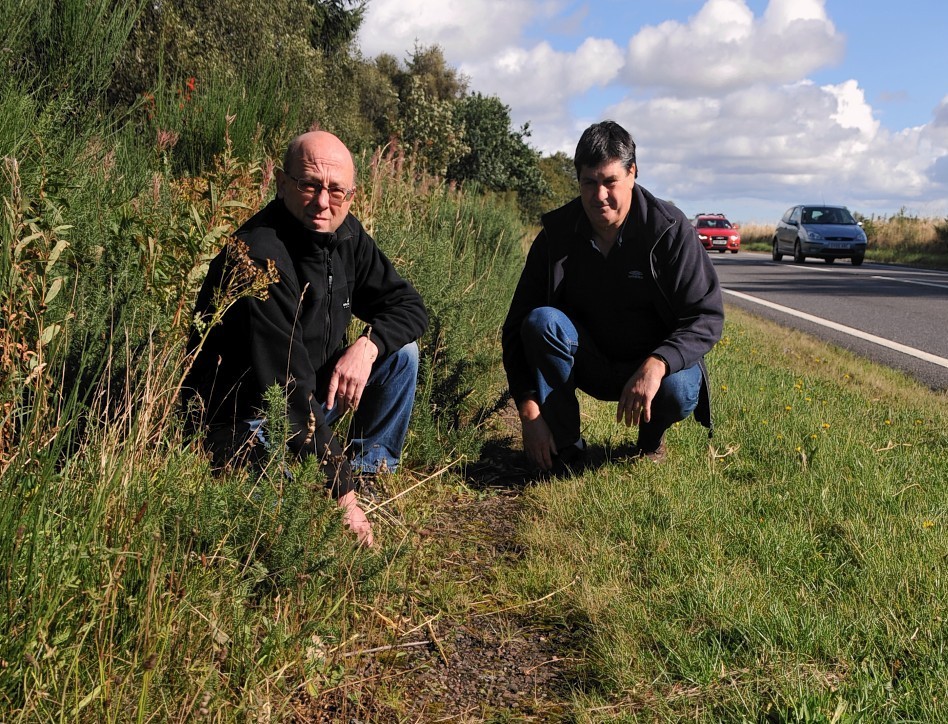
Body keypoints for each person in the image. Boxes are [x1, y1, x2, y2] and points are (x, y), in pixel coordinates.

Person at [183, 130, 428, 546]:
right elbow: (284, 391)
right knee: (275, 511)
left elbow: (408, 306)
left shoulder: (346, 235)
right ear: (282, 184)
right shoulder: (260, 256)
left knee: (400, 353)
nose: (322, 202)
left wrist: (367, 346)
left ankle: (371, 473)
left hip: (314, 397)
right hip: (256, 414)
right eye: (309, 185)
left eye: (336, 190)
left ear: (352, 194)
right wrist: (343, 499)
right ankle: (333, 485)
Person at [501, 120, 723, 471]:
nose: (599, 195)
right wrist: (530, 413)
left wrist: (659, 362)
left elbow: (706, 316)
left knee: (680, 389)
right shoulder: (557, 235)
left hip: (651, 367)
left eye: (610, 182)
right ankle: (568, 446)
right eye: (589, 183)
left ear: (632, 173)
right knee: (542, 321)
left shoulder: (670, 230)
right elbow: (516, 327)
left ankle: (650, 441)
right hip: (587, 361)